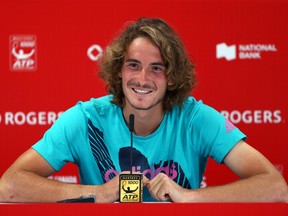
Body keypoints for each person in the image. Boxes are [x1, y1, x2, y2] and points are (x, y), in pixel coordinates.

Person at [0, 17, 287, 203]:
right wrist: (97, 193)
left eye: (157, 68)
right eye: (133, 65)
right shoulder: (85, 119)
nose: (143, 79)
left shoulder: (195, 118)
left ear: (172, 76)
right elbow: (8, 187)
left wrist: (188, 198)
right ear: (119, 71)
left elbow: (276, 189)